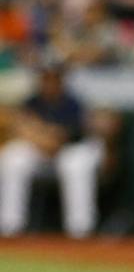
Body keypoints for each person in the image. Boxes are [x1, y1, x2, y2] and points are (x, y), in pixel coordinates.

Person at [0, 64, 107, 238]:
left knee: (74, 165)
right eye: (45, 78)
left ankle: (80, 229)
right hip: (40, 152)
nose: (49, 83)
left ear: (61, 80)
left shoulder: (74, 104)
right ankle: (10, 226)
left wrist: (38, 133)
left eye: (53, 78)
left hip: (72, 150)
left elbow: (62, 140)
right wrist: (39, 136)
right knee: (12, 157)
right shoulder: (32, 102)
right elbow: (18, 129)